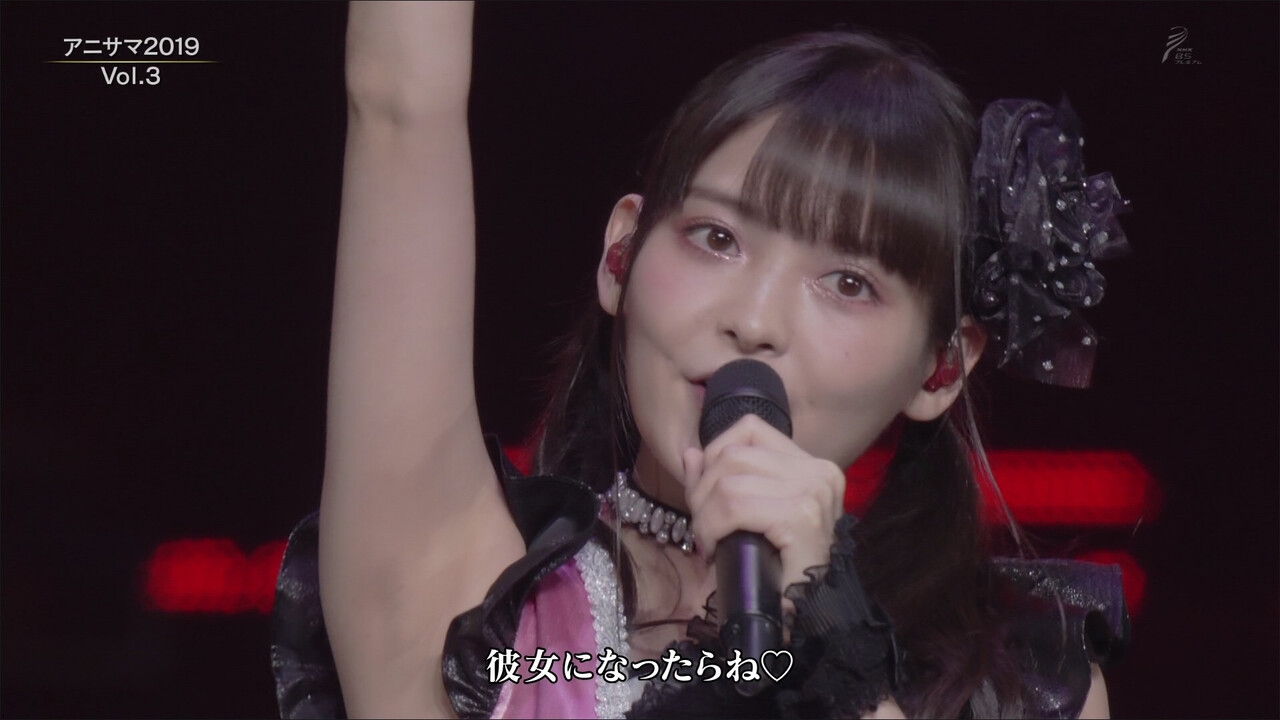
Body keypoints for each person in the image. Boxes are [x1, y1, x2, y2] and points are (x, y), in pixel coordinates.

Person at [271, 3, 1132, 718]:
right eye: (716, 238)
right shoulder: (472, 602)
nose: (753, 322)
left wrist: (824, 631)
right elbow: (400, 105)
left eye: (848, 283)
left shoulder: (1019, 688)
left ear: (941, 369)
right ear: (621, 254)